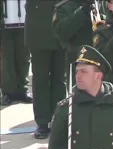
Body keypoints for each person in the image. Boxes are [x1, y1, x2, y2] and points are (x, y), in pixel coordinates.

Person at [25, 0, 66, 139]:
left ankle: (58, 119)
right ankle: (42, 122)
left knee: (60, 79)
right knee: (40, 79)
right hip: (38, 27)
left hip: (62, 24)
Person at [52, 0, 102, 85]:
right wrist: (82, 11)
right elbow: (61, 33)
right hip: (78, 58)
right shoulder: (65, 7)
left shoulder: (103, 3)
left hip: (101, 57)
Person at [0, 5, 33, 106]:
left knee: (24, 57)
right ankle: (8, 92)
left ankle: (22, 89)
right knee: (6, 58)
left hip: (24, 19)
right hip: (4, 21)